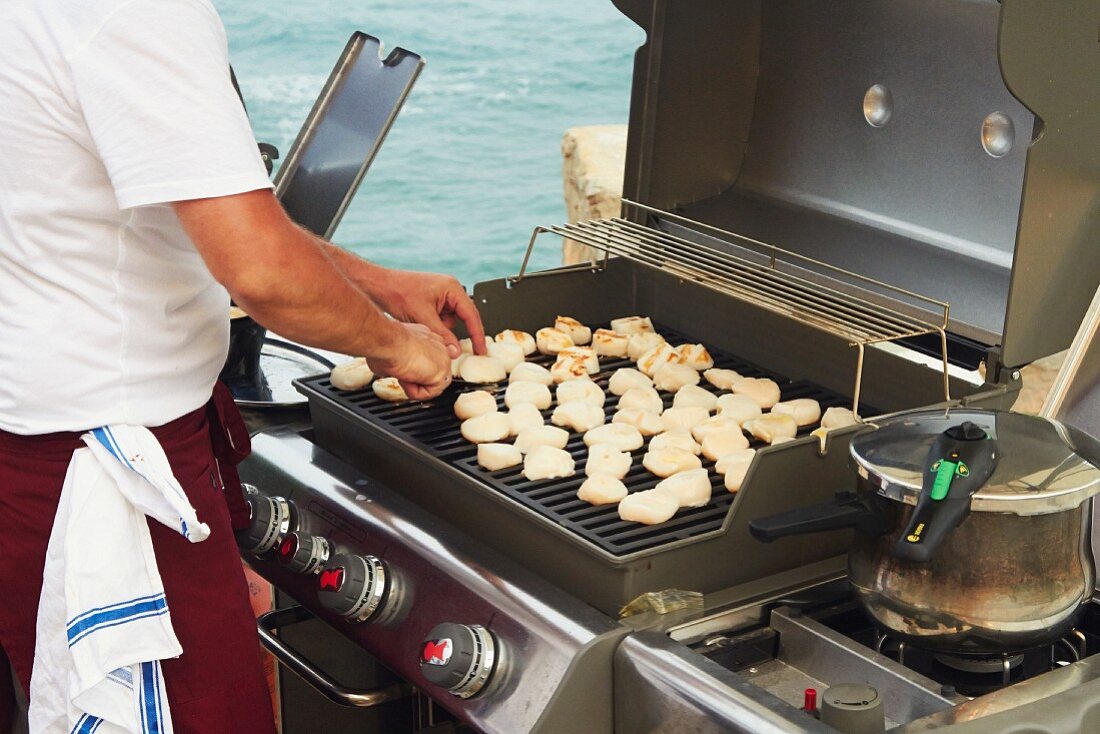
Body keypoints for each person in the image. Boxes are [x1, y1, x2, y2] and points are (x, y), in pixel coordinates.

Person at [0, 0, 486, 730]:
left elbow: (183, 212)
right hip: (108, 475)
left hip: (50, 434)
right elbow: (259, 269)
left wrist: (374, 283)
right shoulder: (138, 13)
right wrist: (397, 344)